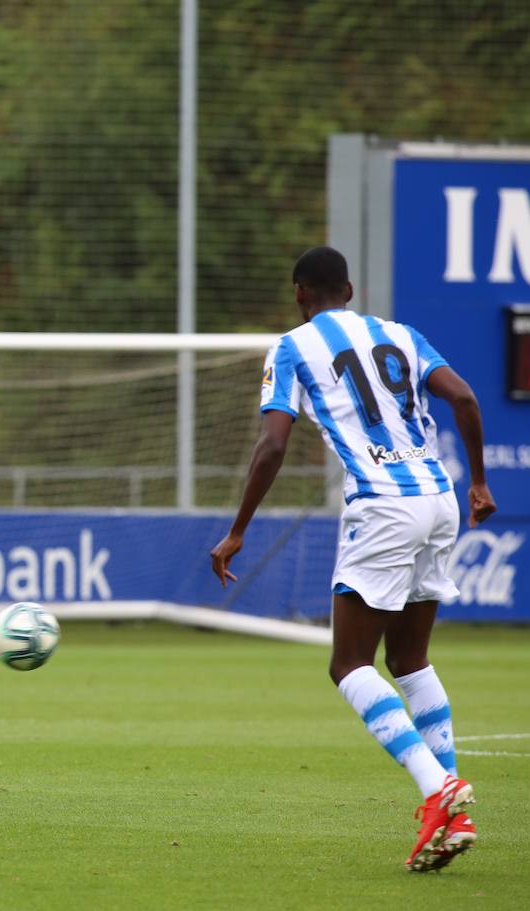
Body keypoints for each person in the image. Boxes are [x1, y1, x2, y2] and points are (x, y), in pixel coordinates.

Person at [209, 246, 496, 873]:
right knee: (410, 659)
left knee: (348, 664)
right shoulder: (400, 334)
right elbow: (467, 399)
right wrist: (477, 482)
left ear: (299, 295)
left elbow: (272, 444)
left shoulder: (291, 347)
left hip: (383, 505)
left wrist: (236, 530)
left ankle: (437, 789)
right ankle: (454, 810)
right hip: (438, 497)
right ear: (349, 288)